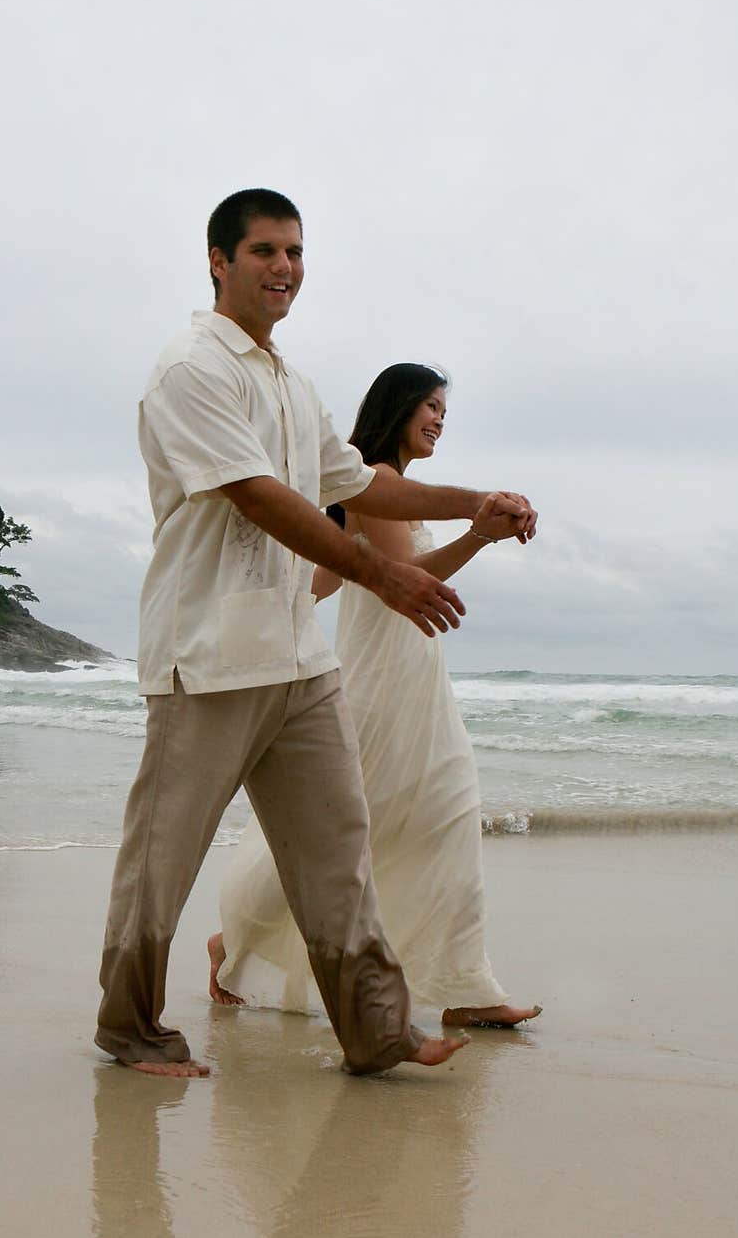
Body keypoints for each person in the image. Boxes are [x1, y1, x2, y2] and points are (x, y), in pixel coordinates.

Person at [94, 189, 537, 1079]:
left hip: (300, 660)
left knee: (340, 854)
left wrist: (471, 501)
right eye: (263, 251)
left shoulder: (292, 384)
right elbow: (260, 495)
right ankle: (129, 1024)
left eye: (294, 252)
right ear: (218, 261)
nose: (284, 268)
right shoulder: (191, 369)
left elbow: (359, 482)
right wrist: (383, 573)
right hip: (208, 656)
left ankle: (376, 1031)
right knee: (163, 859)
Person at [211, 364, 541, 1028]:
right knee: (353, 823)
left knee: (429, 815)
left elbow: (331, 578)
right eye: (429, 405)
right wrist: (479, 534)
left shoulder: (381, 486)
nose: (439, 420)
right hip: (384, 679)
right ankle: (237, 934)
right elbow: (405, 576)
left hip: (408, 671)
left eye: (445, 410)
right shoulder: (379, 483)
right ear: (397, 408)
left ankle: (465, 984)